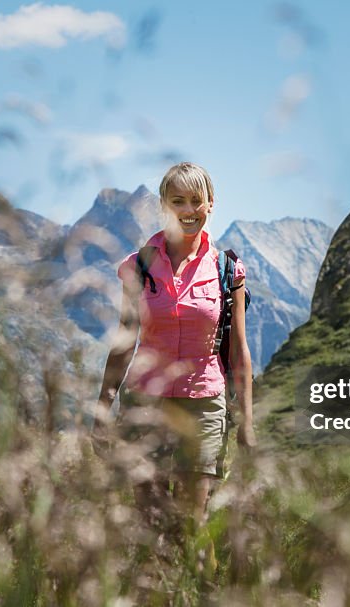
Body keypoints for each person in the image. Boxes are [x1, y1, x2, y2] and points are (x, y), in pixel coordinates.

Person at [96, 161, 255, 532]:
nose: (187, 210)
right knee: (148, 522)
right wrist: (103, 407)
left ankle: (195, 590)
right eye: (177, 201)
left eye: (196, 200)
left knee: (192, 524)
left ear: (211, 203)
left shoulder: (227, 270)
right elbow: (124, 340)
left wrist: (247, 421)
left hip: (203, 404)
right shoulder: (138, 266)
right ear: (164, 206)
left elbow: (239, 350)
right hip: (144, 403)